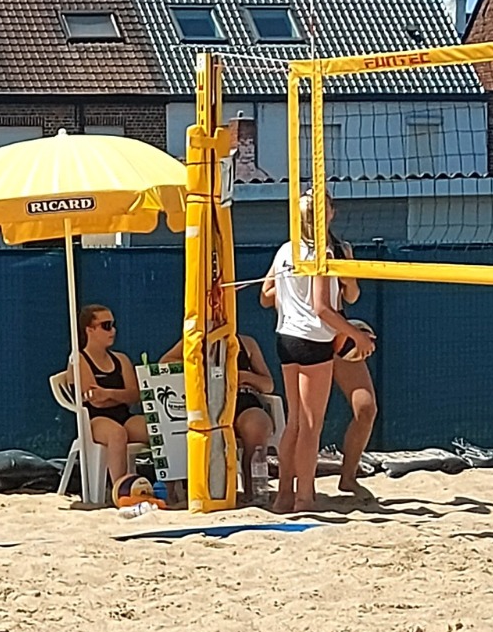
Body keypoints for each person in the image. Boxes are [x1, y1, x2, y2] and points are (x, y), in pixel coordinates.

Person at [262, 192, 374, 514]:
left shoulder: (287, 250)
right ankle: (304, 497)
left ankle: (284, 495)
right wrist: (356, 336)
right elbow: (322, 308)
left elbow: (269, 296)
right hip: (314, 340)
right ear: (327, 216)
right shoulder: (320, 254)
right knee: (310, 426)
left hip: (287, 337)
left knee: (295, 423)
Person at [159, 331, 277, 503]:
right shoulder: (195, 340)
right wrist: (199, 367)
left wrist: (243, 376)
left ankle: (253, 490)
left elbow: (268, 385)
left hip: (241, 398)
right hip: (207, 400)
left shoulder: (246, 343)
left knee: (257, 425)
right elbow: (165, 364)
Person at [70, 303, 149, 487]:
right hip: (95, 420)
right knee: (116, 434)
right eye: (106, 326)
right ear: (89, 330)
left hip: (123, 416)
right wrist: (118, 395)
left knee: (156, 428)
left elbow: (135, 395)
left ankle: (172, 488)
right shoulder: (79, 359)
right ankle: (120, 490)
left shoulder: (121, 359)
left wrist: (109, 393)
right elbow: (95, 401)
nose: (112, 331)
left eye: (113, 325)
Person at [329, 231, 378, 494]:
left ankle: (348, 477)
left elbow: (352, 296)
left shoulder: (340, 248)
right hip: (306, 336)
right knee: (306, 419)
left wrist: (348, 279)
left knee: (366, 408)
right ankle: (296, 490)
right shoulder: (292, 251)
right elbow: (267, 297)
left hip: (337, 334)